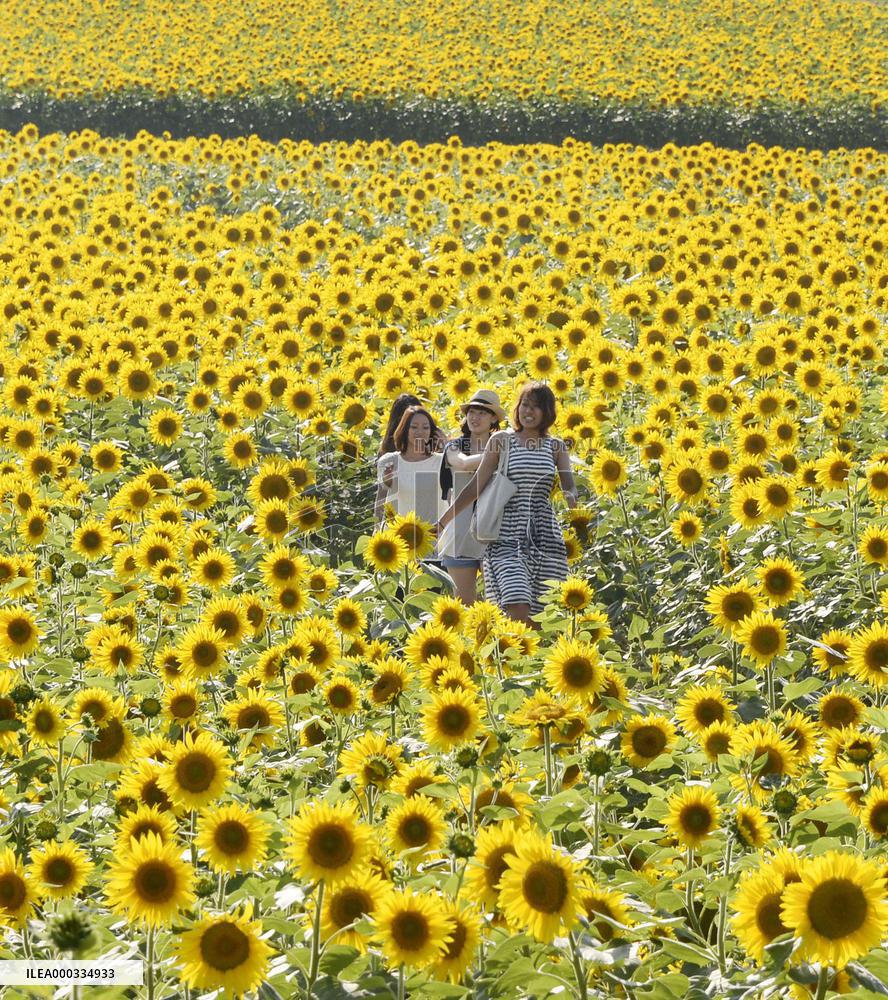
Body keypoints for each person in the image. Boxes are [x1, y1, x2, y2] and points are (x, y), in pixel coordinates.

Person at [437, 382, 577, 626]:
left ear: (548, 412)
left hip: (544, 535)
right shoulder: (501, 440)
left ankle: (527, 663)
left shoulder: (556, 446)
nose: (528, 412)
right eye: (524, 405)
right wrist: (443, 521)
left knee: (540, 615)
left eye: (535, 407)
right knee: (516, 604)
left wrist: (576, 512)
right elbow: (475, 486)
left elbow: (569, 485)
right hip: (505, 534)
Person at [438, 389, 505, 605]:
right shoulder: (455, 446)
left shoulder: (505, 446)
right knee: (464, 604)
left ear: (494, 418)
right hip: (460, 532)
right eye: (472, 412)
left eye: (482, 413)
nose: (475, 418)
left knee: (497, 603)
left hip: (495, 532)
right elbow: (463, 463)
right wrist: (499, 452)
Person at [374, 406, 445, 533]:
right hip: (397, 538)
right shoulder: (389, 461)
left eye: (425, 427)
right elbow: (381, 498)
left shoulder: (442, 461)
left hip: (432, 537)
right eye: (414, 427)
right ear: (404, 430)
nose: (420, 432)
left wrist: (445, 445)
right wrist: (376, 529)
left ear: (432, 432)